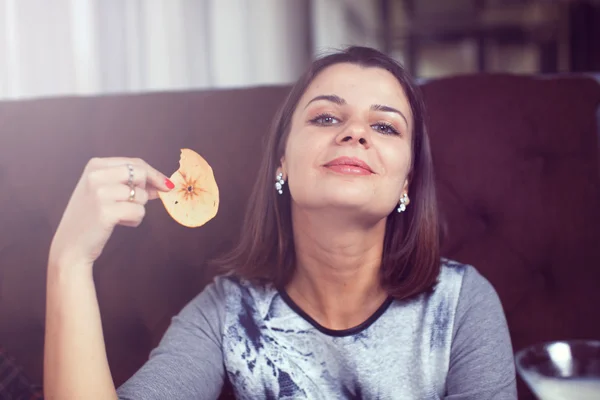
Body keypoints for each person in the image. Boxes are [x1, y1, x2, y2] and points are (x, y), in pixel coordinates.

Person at [44, 46, 517, 400]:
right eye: (327, 117)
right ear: (282, 164)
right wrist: (69, 261)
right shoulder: (225, 313)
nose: (354, 133)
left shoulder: (462, 304)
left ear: (407, 182)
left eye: (385, 126)